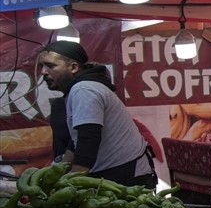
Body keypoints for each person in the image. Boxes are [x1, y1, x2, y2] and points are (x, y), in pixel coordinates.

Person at [36, 40, 155, 188]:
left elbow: (88, 138)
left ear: (73, 67)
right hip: (116, 172)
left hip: (127, 174)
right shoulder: (80, 88)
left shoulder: (84, 89)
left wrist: (71, 181)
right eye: (42, 66)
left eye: (51, 66)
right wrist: (59, 170)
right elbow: (77, 139)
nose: (43, 72)